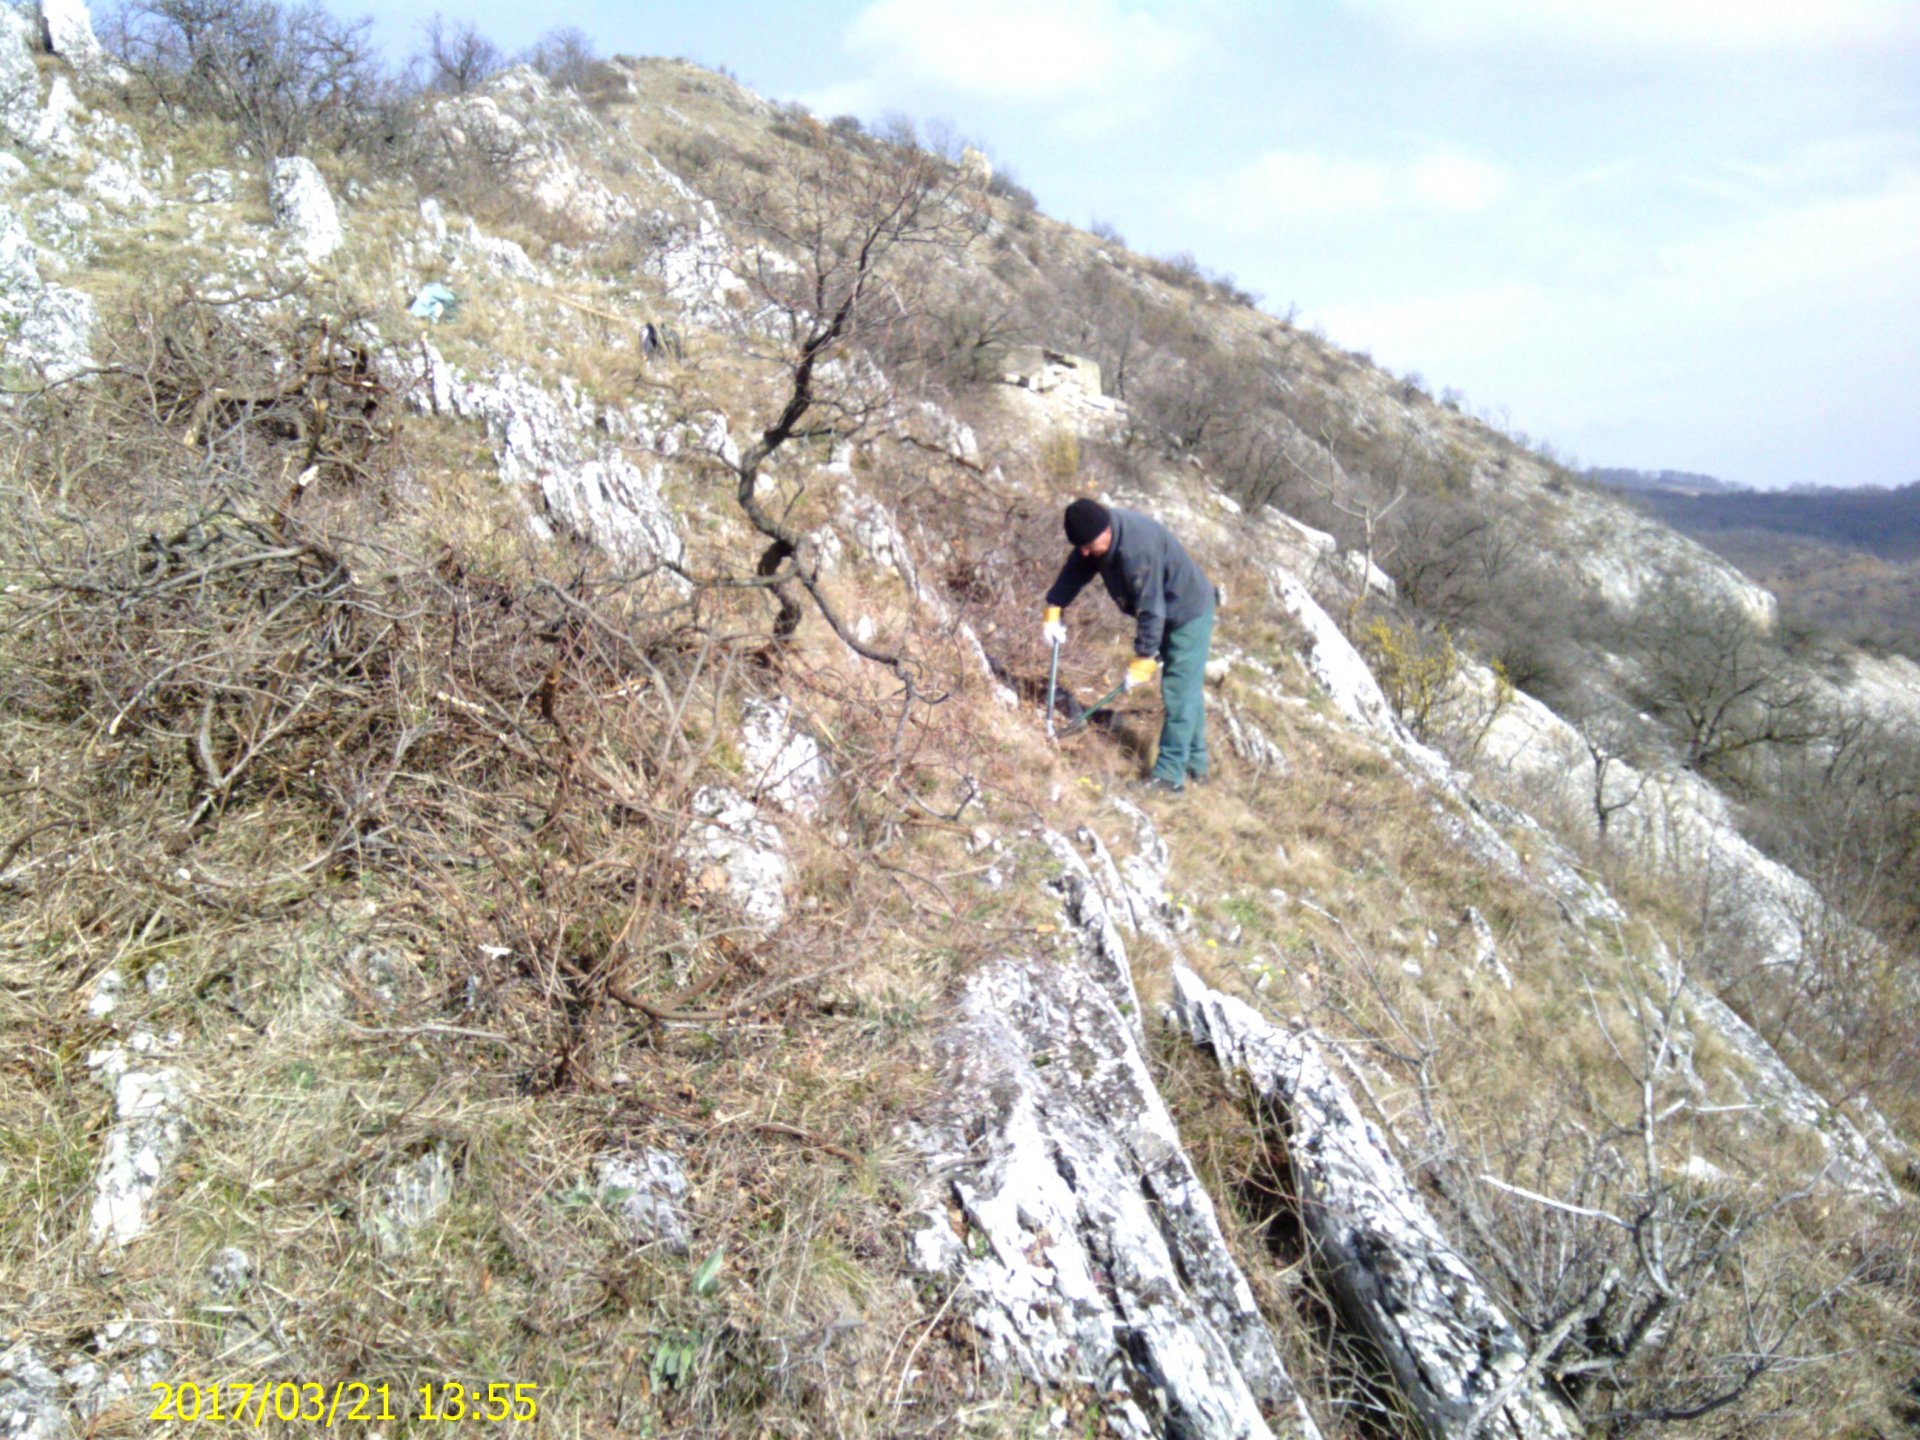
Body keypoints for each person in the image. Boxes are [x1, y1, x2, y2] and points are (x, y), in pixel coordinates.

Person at [1043, 498, 1216, 794]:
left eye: (1088, 545)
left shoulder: (1137, 551)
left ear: (1106, 531)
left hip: (1187, 612)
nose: (1085, 552)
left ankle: (1169, 776)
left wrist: (1144, 659)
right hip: (1165, 609)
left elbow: (1152, 609)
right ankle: (1197, 765)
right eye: (1080, 546)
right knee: (1186, 688)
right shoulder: (1096, 536)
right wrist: (1054, 608)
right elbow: (1075, 570)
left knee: (1178, 690)